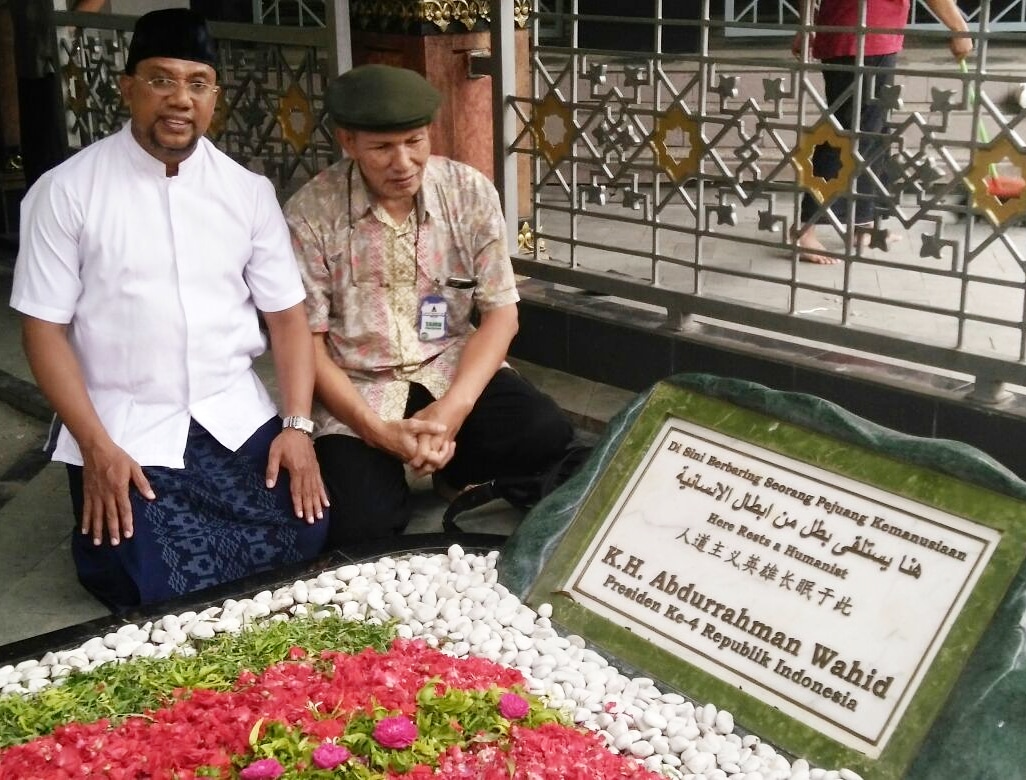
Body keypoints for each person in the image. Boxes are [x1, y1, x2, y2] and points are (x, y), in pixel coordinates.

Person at [10, 8, 328, 611]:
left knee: (305, 531)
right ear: (128, 88)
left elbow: (288, 319)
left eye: (197, 83)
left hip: (229, 415)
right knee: (147, 577)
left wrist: (296, 427)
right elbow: (42, 331)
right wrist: (96, 447)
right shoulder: (65, 192)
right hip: (120, 423)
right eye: (160, 80)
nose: (179, 99)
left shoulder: (247, 192)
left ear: (215, 98)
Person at [284, 64, 575, 547]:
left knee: (544, 432)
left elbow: (502, 313)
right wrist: (378, 433)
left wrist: (451, 412)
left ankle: (450, 465)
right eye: (382, 148)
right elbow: (307, 345)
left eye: (415, 141)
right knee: (361, 524)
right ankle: (400, 465)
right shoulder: (311, 214)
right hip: (360, 384)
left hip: (447, 366)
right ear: (348, 142)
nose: (403, 162)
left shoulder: (468, 191)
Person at [793, 0, 972, 264]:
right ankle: (805, 229)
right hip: (867, 37)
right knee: (849, 137)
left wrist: (805, 26)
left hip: (849, 34)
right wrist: (958, 28)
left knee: (868, 134)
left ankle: (861, 223)